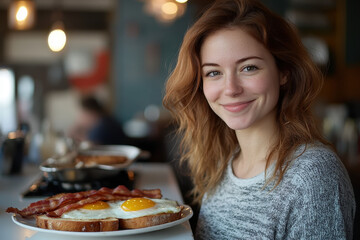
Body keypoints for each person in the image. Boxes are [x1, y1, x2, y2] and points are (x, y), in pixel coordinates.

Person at [163, 0, 356, 239]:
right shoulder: (224, 161)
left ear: (283, 72)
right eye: (214, 72)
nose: (231, 89)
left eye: (249, 68)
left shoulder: (313, 176)